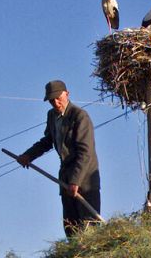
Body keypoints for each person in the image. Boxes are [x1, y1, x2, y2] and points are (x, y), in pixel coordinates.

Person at [17, 80, 101, 237]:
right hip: (65, 179)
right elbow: (47, 141)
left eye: (58, 98)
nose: (55, 103)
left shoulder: (80, 116)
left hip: (86, 180)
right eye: (51, 100)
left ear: (67, 94)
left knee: (90, 228)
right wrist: (28, 155)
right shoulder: (52, 116)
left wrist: (76, 181)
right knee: (71, 227)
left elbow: (86, 152)